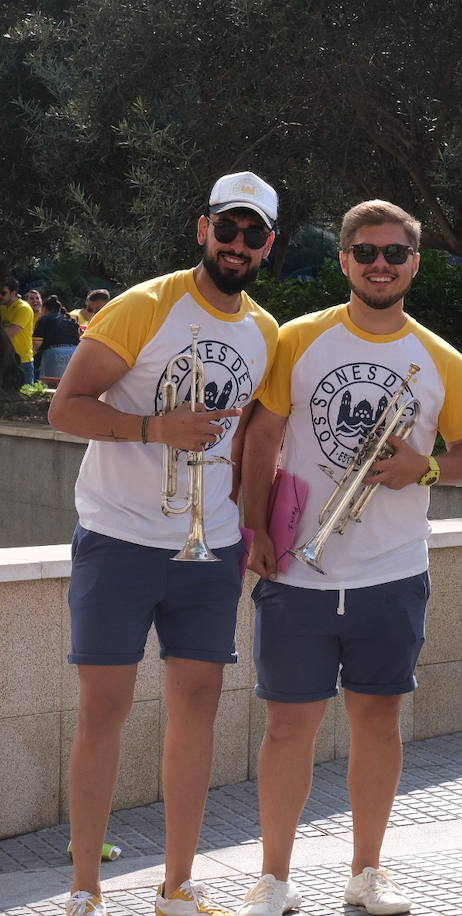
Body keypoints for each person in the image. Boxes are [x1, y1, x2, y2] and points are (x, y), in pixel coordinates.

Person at [234, 200, 462, 916]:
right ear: (344, 260)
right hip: (299, 573)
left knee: (378, 723)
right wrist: (255, 527)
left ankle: (368, 871)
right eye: (366, 252)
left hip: (392, 573)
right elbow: (261, 438)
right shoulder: (299, 339)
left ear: (415, 262)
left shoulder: (442, 358)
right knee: (288, 726)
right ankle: (274, 878)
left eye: (395, 253)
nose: (381, 264)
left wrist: (427, 467)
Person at [47, 171, 281, 916]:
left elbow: (251, 435)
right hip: (119, 539)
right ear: (202, 228)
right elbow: (65, 408)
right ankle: (85, 887)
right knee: (104, 709)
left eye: (253, 234)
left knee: (198, 710)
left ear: (268, 245)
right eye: (227, 227)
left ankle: (178, 884)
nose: (237, 244)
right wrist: (154, 428)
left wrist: (251, 521)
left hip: (208, 550)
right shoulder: (143, 307)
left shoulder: (265, 330)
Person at [32, 294, 82, 381]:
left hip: (54, 352)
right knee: (67, 383)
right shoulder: (70, 320)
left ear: (44, 308)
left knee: (50, 385)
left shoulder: (44, 319)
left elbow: (37, 344)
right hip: (74, 352)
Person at [1, 276, 37, 385]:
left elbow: (10, 333)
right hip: (5, 361)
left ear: (13, 293)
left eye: (3, 293)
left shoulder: (23, 308)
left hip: (22, 361)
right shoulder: (2, 308)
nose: (0, 296)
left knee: (25, 398)